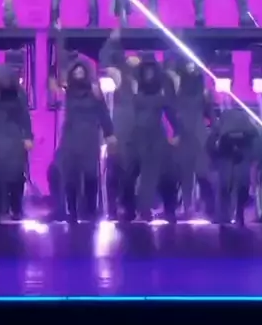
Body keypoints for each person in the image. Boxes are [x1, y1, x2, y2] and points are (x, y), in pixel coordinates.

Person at [57, 59, 114, 221]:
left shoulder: (94, 91)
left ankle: (90, 210)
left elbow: (103, 112)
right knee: (70, 174)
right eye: (76, 72)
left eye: (81, 72)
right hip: (70, 137)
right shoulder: (67, 91)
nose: (78, 74)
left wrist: (109, 133)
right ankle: (72, 210)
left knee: (90, 174)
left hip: (89, 136)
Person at [0, 64, 33, 223]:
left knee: (15, 175)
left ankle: (16, 208)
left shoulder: (19, 93)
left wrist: (28, 136)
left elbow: (24, 115)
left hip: (13, 135)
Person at [132, 59, 180, 221]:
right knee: (144, 174)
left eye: (151, 71)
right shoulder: (135, 93)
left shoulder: (161, 95)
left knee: (162, 173)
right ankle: (144, 210)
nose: (149, 74)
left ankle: (167, 210)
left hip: (156, 136)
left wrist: (177, 133)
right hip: (139, 136)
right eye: (146, 71)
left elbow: (171, 114)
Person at [99, 36, 141, 220]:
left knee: (132, 171)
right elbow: (104, 60)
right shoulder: (119, 76)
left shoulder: (141, 82)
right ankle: (113, 209)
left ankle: (129, 207)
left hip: (136, 131)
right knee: (115, 168)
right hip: (119, 130)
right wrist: (111, 40)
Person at [170, 61, 215, 218]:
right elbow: (211, 116)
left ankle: (203, 208)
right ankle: (190, 207)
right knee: (188, 173)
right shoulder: (181, 93)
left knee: (198, 173)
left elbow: (211, 115)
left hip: (194, 135)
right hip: (189, 134)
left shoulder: (199, 94)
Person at [210, 106, 258, 225]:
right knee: (242, 185)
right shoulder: (247, 126)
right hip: (241, 154)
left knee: (225, 186)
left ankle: (224, 216)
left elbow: (212, 141)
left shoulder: (225, 121)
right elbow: (254, 138)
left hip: (227, 155)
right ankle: (239, 215)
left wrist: (215, 155)